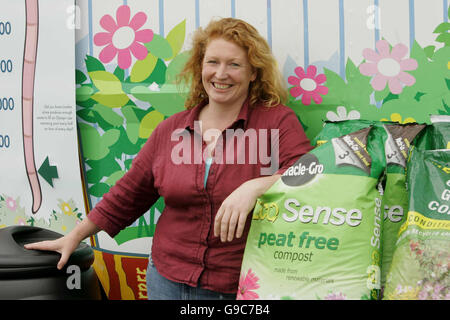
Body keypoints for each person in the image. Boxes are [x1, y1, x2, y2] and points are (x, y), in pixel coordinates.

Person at [25, 17, 312, 300]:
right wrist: (74, 237)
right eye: (212, 62)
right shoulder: (171, 130)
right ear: (200, 66)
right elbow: (128, 193)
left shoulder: (276, 122)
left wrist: (256, 186)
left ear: (253, 73)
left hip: (236, 285)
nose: (221, 74)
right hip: (165, 280)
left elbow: (311, 173)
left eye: (234, 64)